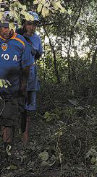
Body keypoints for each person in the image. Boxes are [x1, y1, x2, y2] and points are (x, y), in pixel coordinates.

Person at [0, 11, 32, 156]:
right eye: (1, 27)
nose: (4, 30)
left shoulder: (21, 42)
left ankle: (8, 152)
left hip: (11, 90)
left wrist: (23, 86)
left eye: (7, 27)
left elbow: (26, 67)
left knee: (8, 121)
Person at [17, 11, 43, 145]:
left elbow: (38, 55)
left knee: (28, 110)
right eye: (29, 24)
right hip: (17, 77)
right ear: (24, 24)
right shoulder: (16, 35)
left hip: (31, 77)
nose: (32, 27)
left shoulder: (37, 39)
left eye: (35, 25)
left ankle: (25, 140)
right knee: (15, 107)